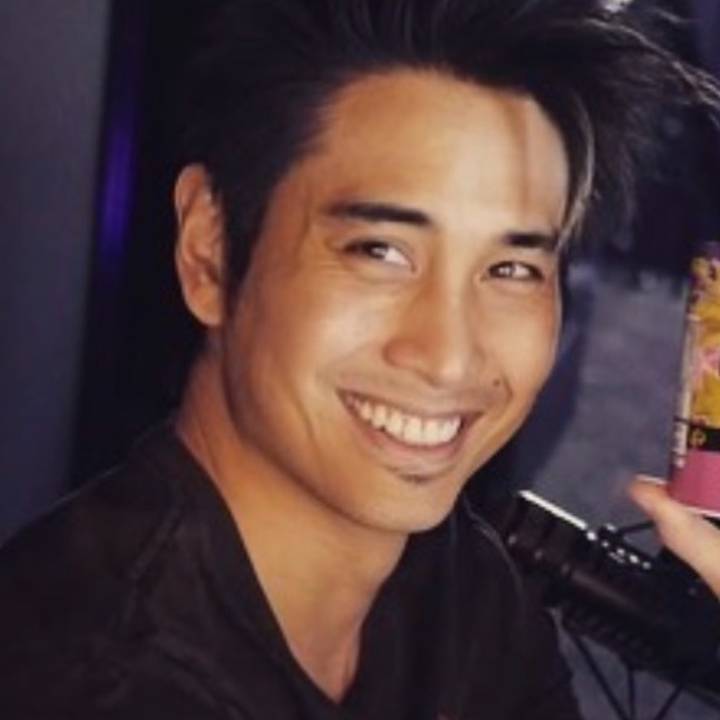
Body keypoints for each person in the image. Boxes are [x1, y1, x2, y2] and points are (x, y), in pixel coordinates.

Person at [1, 1, 718, 718]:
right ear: (209, 252)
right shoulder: (86, 680)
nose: (447, 359)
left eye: (511, 269)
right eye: (380, 252)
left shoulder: (465, 598)